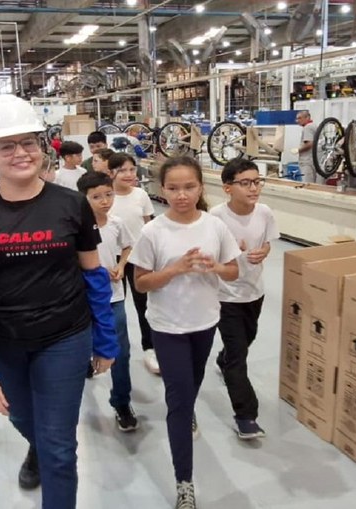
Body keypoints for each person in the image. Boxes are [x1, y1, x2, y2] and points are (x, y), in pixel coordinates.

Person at [0, 94, 119, 509]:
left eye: (28, 142)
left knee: (60, 448)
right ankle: (38, 445)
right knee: (23, 419)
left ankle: (49, 453)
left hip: (64, 338)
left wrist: (105, 338)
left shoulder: (71, 204)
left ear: (42, 147)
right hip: (2, 342)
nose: (20, 153)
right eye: (6, 146)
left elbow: (94, 276)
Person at [129, 155, 239, 509]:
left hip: (205, 323)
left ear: (200, 187)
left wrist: (216, 266)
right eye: (173, 188)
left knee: (191, 386)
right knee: (178, 400)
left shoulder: (214, 226)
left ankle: (188, 406)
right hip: (167, 327)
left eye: (189, 187)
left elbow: (233, 271)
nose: (181, 195)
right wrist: (175, 269)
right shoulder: (153, 232)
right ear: (162, 190)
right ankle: (184, 483)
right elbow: (141, 283)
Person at [210, 159, 278, 440]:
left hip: (254, 292)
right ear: (228, 188)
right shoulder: (216, 217)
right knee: (239, 357)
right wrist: (228, 249)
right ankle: (246, 416)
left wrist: (264, 252)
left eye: (257, 181)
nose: (254, 188)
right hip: (225, 296)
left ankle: (223, 358)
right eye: (246, 183)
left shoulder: (265, 212)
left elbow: (268, 242)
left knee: (245, 341)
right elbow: (208, 255)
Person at [77, 172, 138, 432]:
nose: (105, 201)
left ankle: (121, 401)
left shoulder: (116, 223)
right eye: (96, 197)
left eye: (109, 194)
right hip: (82, 299)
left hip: (113, 296)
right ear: (83, 199)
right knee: (81, 346)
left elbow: (127, 246)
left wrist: (121, 266)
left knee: (120, 350)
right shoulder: (75, 227)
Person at [108, 153, 158, 374]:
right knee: (114, 305)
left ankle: (150, 347)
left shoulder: (141, 195)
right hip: (113, 260)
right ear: (111, 173)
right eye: (122, 170)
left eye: (132, 169)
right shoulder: (107, 196)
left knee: (144, 304)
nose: (129, 174)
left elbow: (150, 226)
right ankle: (111, 349)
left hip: (140, 258)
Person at [294, 110, 319, 183]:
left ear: (307, 117)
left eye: (299, 118)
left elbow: (309, 144)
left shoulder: (308, 127)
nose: (297, 121)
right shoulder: (314, 126)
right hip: (314, 160)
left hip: (307, 161)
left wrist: (297, 150)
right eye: (297, 118)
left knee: (307, 184)